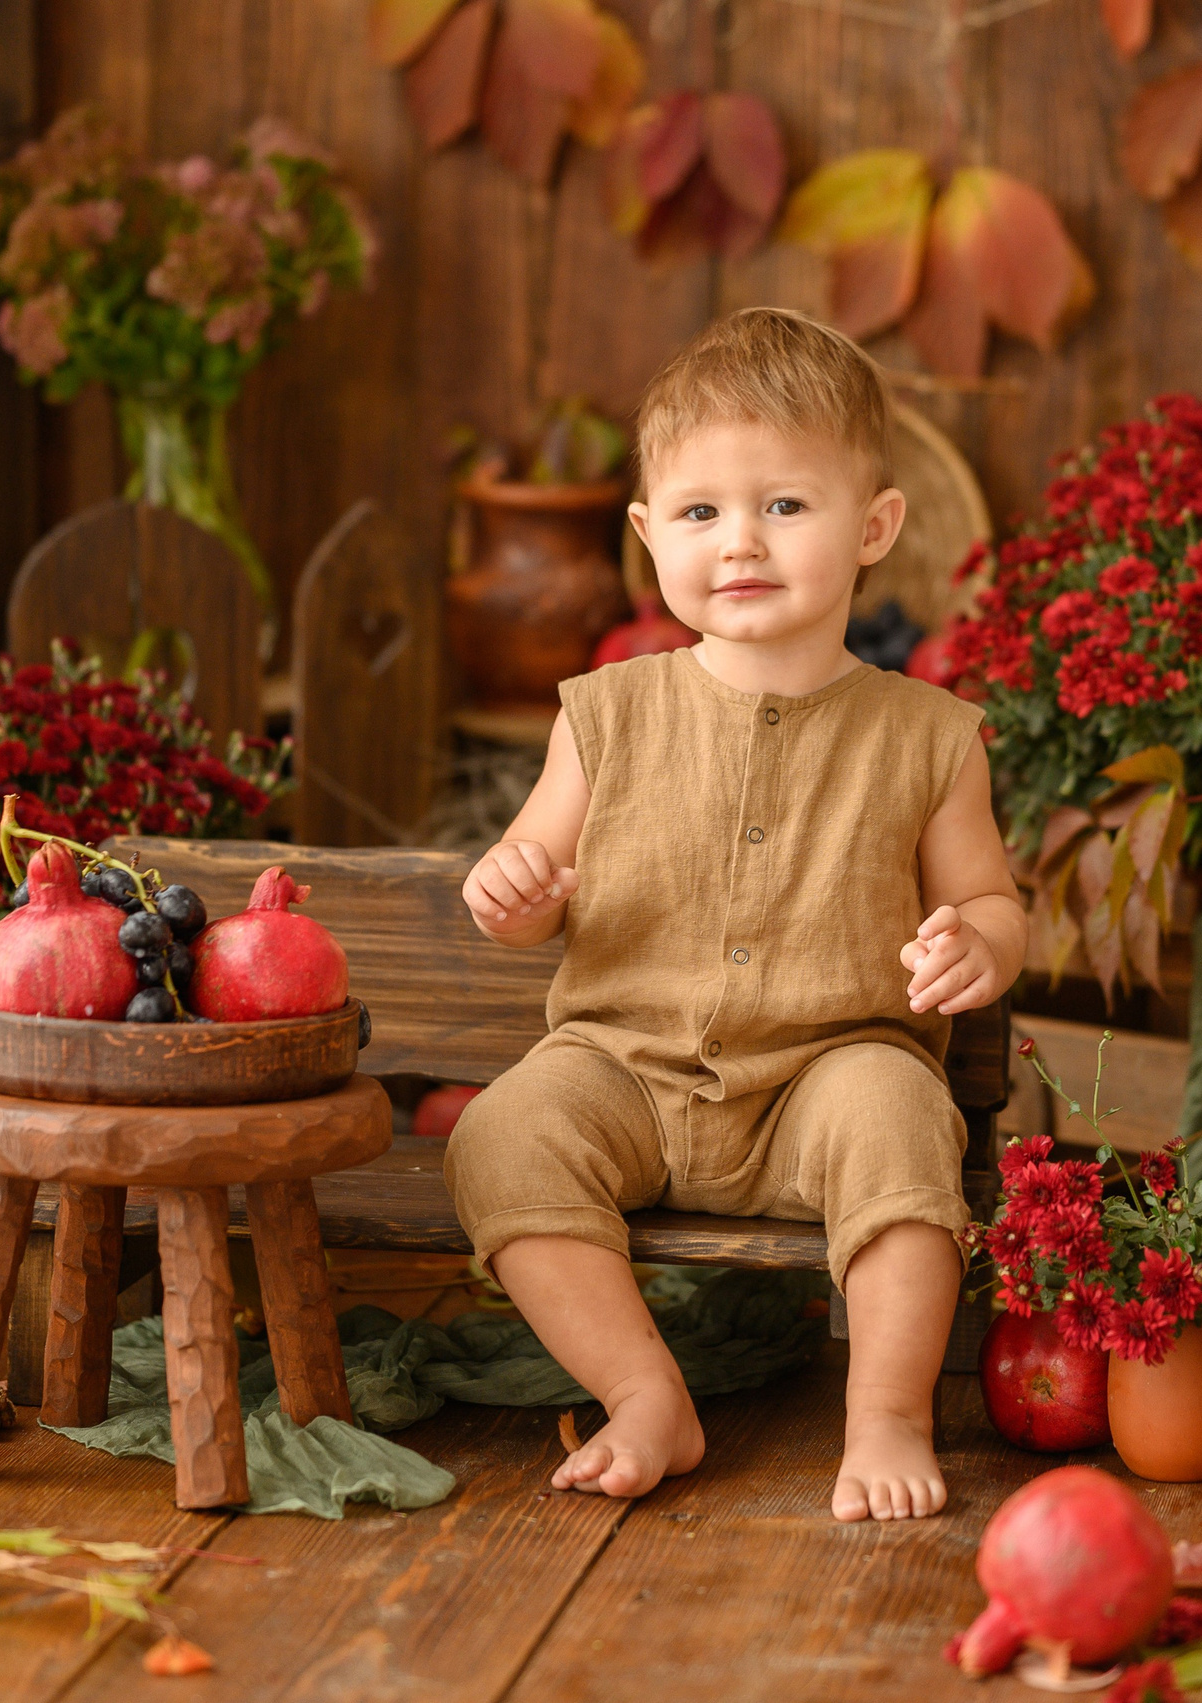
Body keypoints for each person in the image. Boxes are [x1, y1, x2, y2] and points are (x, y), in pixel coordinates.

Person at [445, 307, 1026, 1522]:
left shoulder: (929, 735)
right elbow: (530, 878)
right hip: (624, 1070)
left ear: (873, 527)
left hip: (824, 1075)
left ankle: (883, 1413)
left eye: (786, 506)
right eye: (702, 512)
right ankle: (643, 1389)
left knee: (904, 1125)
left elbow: (986, 896)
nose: (741, 542)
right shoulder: (602, 713)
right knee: (502, 1136)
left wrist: (975, 941)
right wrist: (511, 894)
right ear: (648, 535)